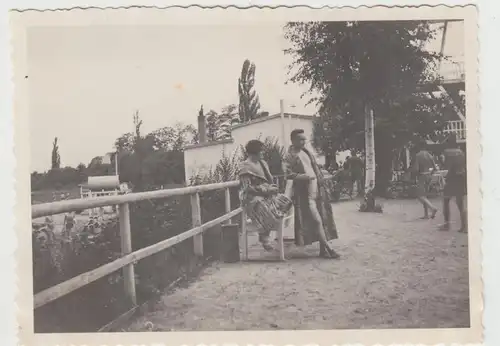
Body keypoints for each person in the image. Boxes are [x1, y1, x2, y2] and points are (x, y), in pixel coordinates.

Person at [284, 129, 340, 259]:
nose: (303, 142)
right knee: (316, 221)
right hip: (305, 193)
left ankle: (323, 250)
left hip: (318, 191)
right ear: (293, 140)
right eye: (300, 140)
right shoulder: (289, 156)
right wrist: (304, 177)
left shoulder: (306, 152)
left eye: (304, 139)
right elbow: (287, 174)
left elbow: (314, 169)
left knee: (323, 219)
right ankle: (329, 248)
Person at [238, 140, 293, 251]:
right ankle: (264, 237)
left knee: (286, 202)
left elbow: (269, 180)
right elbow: (247, 188)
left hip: (266, 194)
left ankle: (266, 232)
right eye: (261, 151)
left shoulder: (263, 163)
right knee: (265, 206)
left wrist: (271, 188)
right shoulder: (245, 167)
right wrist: (266, 190)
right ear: (254, 153)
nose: (263, 154)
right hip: (252, 197)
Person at [439, 135, 467, 232]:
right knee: (461, 204)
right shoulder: (461, 152)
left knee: (446, 201)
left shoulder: (446, 152)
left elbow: (445, 165)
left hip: (451, 178)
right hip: (461, 178)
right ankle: (464, 225)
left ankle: (447, 224)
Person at [411, 141, 439, 219]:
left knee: (420, 195)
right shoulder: (429, 155)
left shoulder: (418, 155)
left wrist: (413, 173)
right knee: (425, 195)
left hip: (422, 175)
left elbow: (416, 169)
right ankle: (426, 215)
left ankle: (432, 208)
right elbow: (435, 168)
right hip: (428, 176)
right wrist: (430, 174)